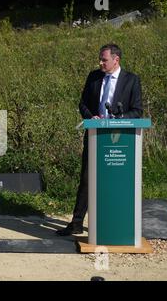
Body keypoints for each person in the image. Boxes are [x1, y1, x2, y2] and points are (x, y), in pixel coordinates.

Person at [56, 43, 143, 236]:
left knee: (115, 180)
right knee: (87, 178)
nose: (100, 63)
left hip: (120, 139)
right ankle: (76, 223)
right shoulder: (94, 77)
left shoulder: (131, 80)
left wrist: (118, 119)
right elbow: (83, 103)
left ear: (116, 60)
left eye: (104, 59)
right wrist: (91, 117)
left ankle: (115, 223)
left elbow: (137, 111)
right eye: (100, 59)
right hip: (95, 135)